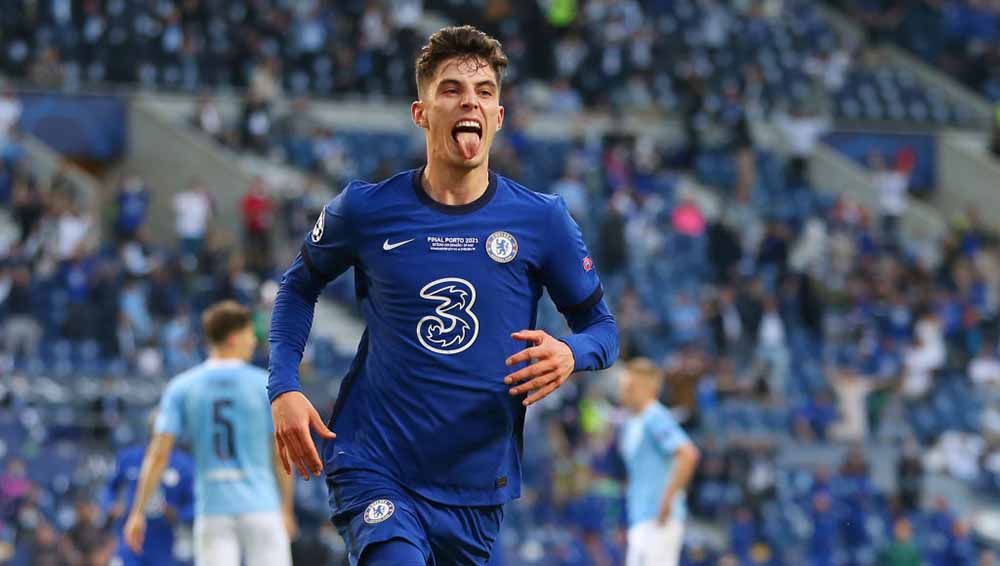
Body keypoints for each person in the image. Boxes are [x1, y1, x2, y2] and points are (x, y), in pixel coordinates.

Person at [267, 25, 619, 565]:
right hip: (375, 463)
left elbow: (604, 330)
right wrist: (284, 386)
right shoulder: (365, 209)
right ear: (421, 112)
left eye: (483, 92)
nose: (468, 101)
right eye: (451, 89)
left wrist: (573, 353)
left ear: (498, 117)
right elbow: (298, 285)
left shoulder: (541, 220)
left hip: (475, 484)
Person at [123, 301, 296, 566]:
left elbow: (158, 454)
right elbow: (280, 452)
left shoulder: (182, 387)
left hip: (213, 510)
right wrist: (286, 507)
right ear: (233, 338)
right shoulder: (266, 385)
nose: (253, 341)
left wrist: (138, 512)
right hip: (262, 506)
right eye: (250, 334)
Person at [618, 358, 700, 566]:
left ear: (649, 388)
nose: (624, 392)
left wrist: (667, 500)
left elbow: (687, 454)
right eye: (623, 386)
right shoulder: (631, 422)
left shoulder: (656, 416)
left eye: (630, 387)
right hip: (639, 516)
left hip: (658, 518)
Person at [104, 410, 195, 566]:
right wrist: (111, 506)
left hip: (166, 541)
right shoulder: (129, 458)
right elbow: (109, 488)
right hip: (131, 537)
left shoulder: (185, 465)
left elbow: (195, 504)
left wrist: (178, 514)